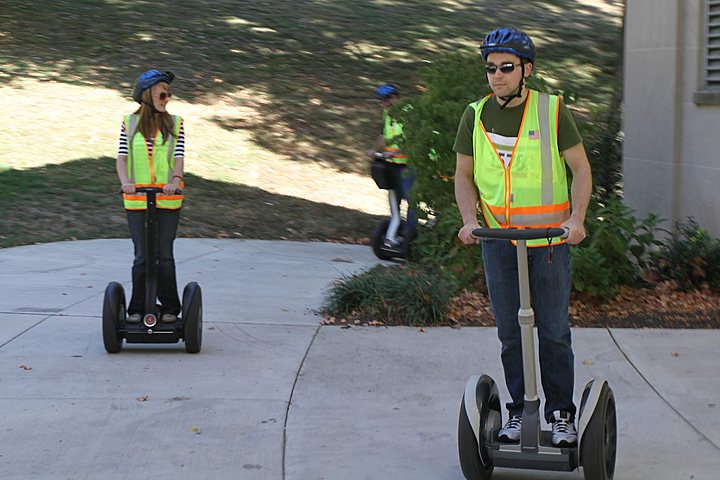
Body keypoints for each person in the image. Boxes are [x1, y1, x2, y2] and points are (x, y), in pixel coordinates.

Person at [453, 27, 592, 447]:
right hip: (498, 243)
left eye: (506, 67)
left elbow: (581, 170)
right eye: (491, 68)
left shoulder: (551, 111)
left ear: (526, 70)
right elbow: (463, 175)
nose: (497, 75)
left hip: (549, 242)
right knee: (510, 333)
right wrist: (467, 218)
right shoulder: (475, 115)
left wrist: (576, 219)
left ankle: (561, 414)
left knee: (552, 331)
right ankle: (517, 411)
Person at [116, 69, 186, 324]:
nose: (167, 98)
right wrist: (126, 183)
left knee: (164, 255)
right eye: (162, 93)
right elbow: (122, 158)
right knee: (142, 256)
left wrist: (174, 182)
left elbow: (178, 158)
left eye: (169, 94)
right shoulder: (129, 123)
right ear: (147, 95)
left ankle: (169, 308)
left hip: (167, 198)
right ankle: (137, 308)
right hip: (136, 198)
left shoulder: (175, 122)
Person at [367, 83, 416, 246]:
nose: (382, 103)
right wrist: (374, 149)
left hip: (408, 166)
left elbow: (413, 138)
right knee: (393, 198)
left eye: (384, 100)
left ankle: (411, 235)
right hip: (393, 165)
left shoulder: (408, 113)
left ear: (394, 98)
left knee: (412, 200)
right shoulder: (387, 113)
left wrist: (395, 152)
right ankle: (391, 236)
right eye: (381, 101)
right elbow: (383, 134)